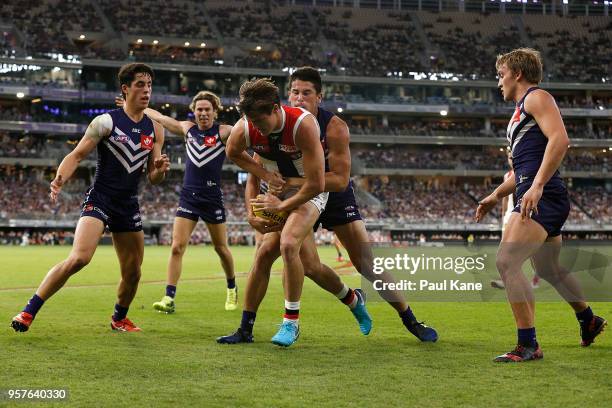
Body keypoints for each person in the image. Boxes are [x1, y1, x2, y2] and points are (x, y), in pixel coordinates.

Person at [218, 67, 436, 345]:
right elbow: (255, 167)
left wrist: (284, 189)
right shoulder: (261, 124)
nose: (299, 97)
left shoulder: (330, 127)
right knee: (293, 259)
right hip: (293, 193)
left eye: (306, 92)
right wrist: (253, 208)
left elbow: (337, 179)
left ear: (319, 96)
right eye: (294, 92)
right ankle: (255, 326)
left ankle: (410, 318)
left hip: (329, 190)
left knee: (365, 263)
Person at [11, 63, 170, 333]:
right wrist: (60, 178)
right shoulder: (106, 122)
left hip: (128, 203)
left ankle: (119, 318)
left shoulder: (156, 129)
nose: (146, 90)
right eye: (140, 84)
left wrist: (158, 171)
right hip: (101, 197)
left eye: (149, 85)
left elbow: (154, 178)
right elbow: (77, 155)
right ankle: (28, 311)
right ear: (125, 88)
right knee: (79, 258)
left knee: (133, 272)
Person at [476, 48, 606, 362]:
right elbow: (523, 169)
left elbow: (560, 140)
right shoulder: (520, 111)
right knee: (549, 269)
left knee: (507, 262)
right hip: (540, 193)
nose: (499, 82)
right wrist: (496, 195)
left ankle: (528, 345)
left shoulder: (536, 97)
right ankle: (588, 320)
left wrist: (536, 186)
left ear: (517, 73)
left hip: (541, 196)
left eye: (501, 74)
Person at [222, 77, 346, 347]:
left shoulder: (302, 125)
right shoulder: (246, 127)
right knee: (265, 253)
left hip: (309, 188)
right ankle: (245, 329)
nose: (258, 129)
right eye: (252, 123)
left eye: (261, 123)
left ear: (276, 109)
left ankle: (291, 323)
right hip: (279, 187)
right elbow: (233, 153)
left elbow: (317, 183)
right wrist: (262, 179)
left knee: (289, 244)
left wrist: (281, 206)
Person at [117, 91, 237, 313]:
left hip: (212, 198)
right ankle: (168, 298)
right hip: (188, 196)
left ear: (214, 111)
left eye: (207, 110)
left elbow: (246, 130)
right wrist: (133, 106)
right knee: (176, 247)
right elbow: (160, 118)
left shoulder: (224, 132)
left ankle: (232, 287)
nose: (202, 113)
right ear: (194, 111)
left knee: (221, 248)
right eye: (199, 109)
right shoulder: (187, 129)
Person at [491, 151, 540, 290]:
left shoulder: (529, 172)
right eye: (509, 157)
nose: (511, 159)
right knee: (505, 250)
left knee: (531, 252)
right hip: (510, 217)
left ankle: (536, 276)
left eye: (513, 157)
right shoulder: (507, 176)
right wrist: (503, 215)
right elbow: (505, 198)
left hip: (525, 214)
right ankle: (506, 279)